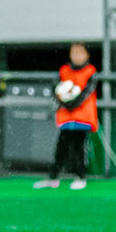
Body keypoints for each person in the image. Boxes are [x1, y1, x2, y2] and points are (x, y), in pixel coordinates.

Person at [37, 42, 98, 191]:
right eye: (74, 53)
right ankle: (53, 177)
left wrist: (72, 102)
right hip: (66, 117)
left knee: (78, 147)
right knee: (61, 146)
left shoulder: (90, 72)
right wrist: (62, 99)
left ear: (86, 55)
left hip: (82, 117)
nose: (76, 56)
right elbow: (56, 89)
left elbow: (86, 92)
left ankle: (80, 176)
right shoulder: (64, 71)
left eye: (80, 53)